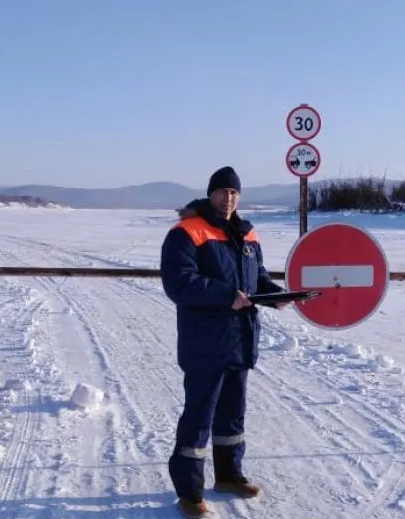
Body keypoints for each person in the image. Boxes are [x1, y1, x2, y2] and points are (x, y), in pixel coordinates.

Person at [159, 165, 287, 517]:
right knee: (199, 417)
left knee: (232, 415)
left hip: (239, 340)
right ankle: (189, 492)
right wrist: (225, 295)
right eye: (222, 192)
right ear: (210, 194)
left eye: (234, 193)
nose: (228, 198)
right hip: (204, 343)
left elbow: (256, 278)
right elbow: (179, 283)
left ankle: (229, 476)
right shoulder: (187, 232)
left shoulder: (247, 235)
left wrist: (277, 295)